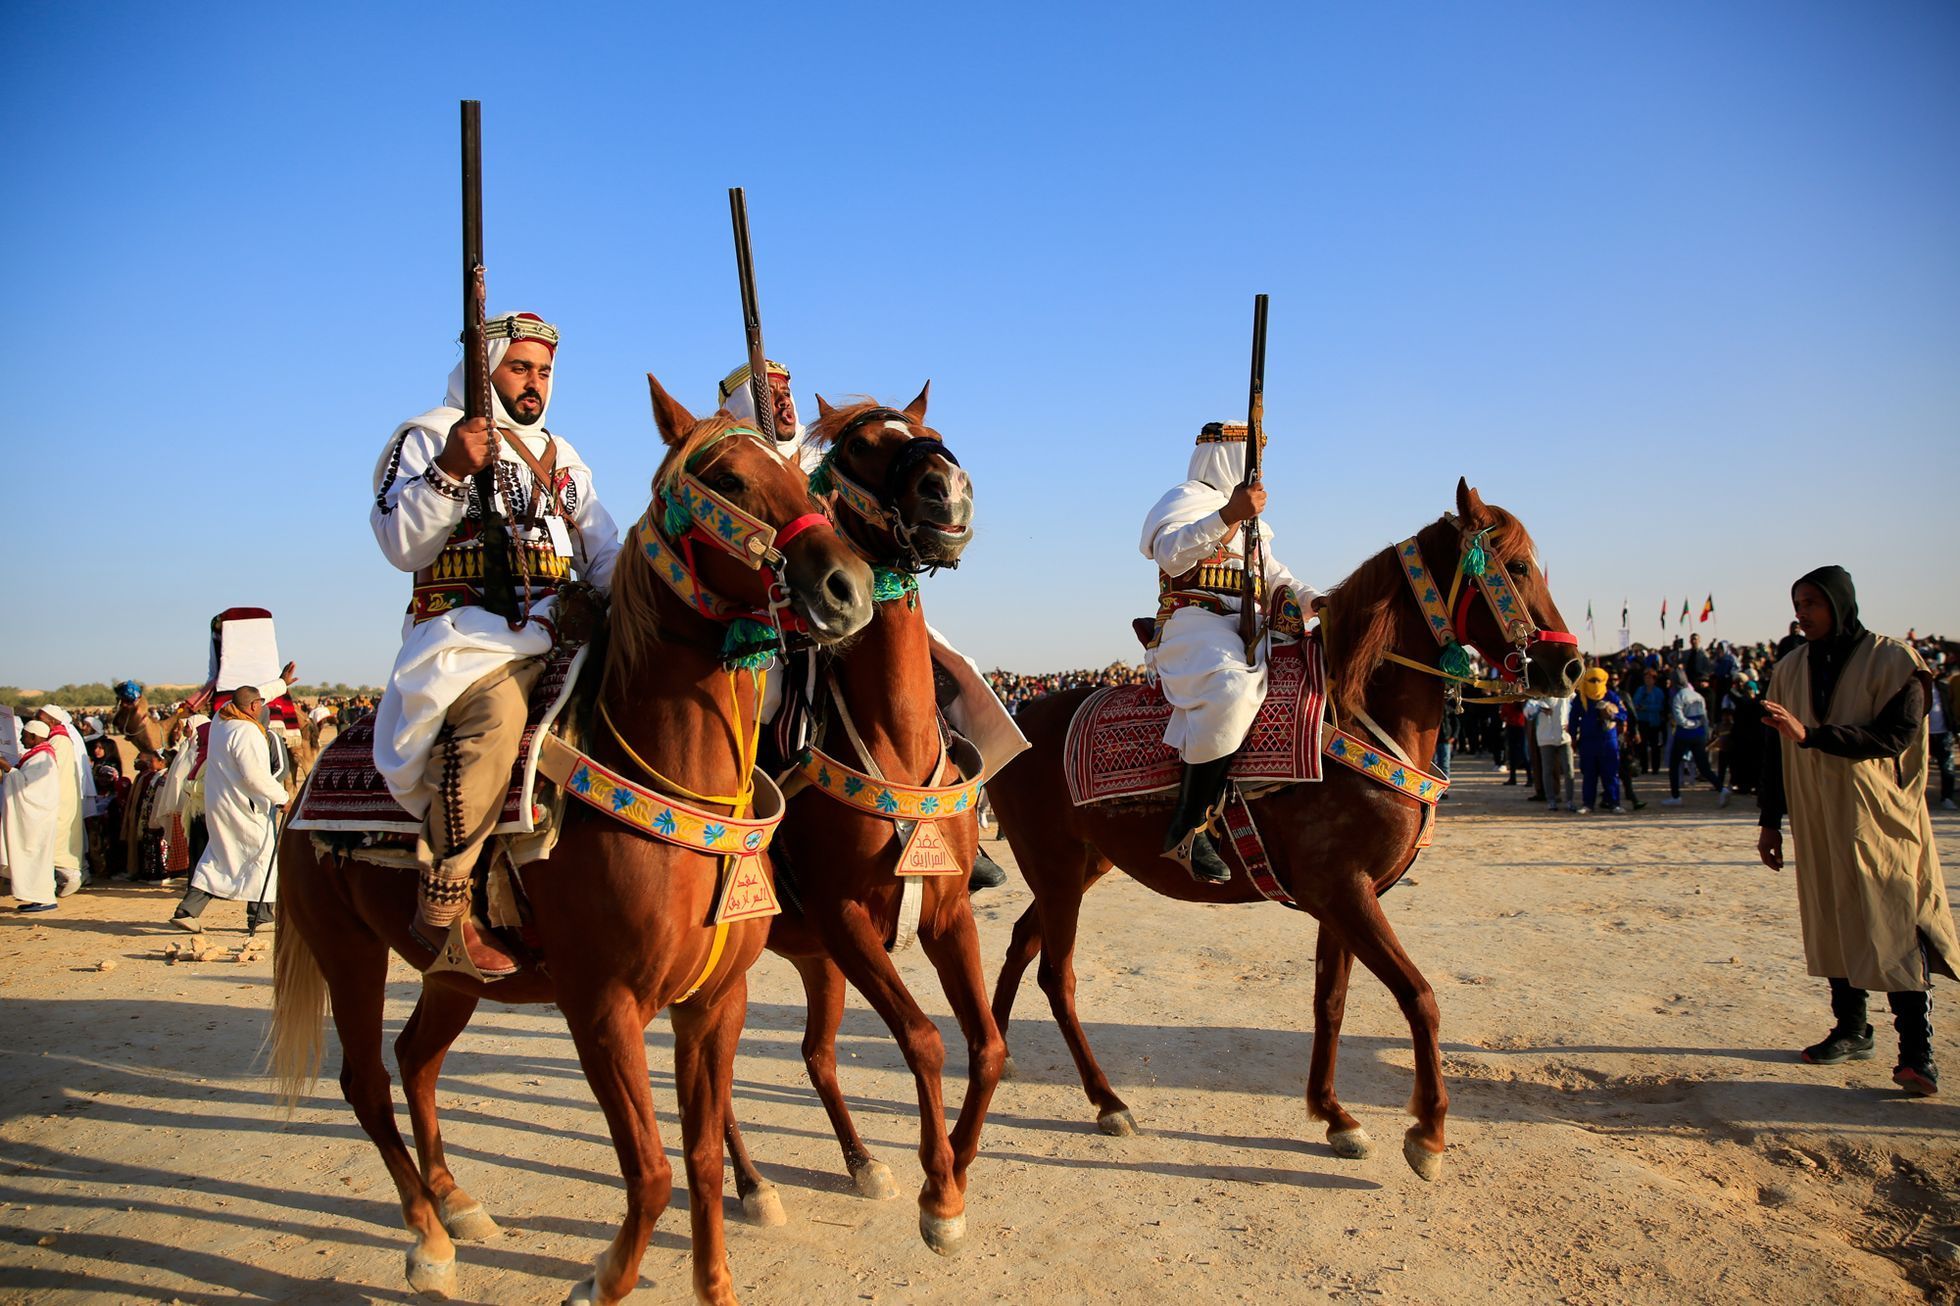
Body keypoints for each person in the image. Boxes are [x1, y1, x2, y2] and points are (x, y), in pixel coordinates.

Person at [372, 311, 621, 977]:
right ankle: (445, 897)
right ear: (486, 372)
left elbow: (603, 551)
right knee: (497, 718)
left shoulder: (564, 456)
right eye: (520, 368)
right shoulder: (426, 436)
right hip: (471, 633)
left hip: (564, 627)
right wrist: (451, 471)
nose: (535, 383)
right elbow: (401, 544)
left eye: (544, 372)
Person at [718, 359, 1025, 892]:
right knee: (764, 697)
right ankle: (749, 825)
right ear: (744, 407)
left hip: (858, 604)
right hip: (774, 618)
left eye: (787, 392)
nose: (784, 403)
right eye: (769, 395)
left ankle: (959, 816)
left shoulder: (824, 460)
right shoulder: (737, 467)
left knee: (952, 675)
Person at [1758, 565, 1960, 1096]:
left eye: (1813, 603)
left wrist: (1814, 736)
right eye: (1797, 603)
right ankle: (1851, 1029)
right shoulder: (1790, 668)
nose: (1802, 613)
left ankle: (1916, 1053)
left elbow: (1895, 735)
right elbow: (1776, 751)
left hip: (1879, 820)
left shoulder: (1894, 661)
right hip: (1817, 818)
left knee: (1891, 922)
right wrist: (1769, 822)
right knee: (1832, 918)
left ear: (1840, 603)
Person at [1141, 420, 1320, 883]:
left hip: (1255, 624)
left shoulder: (1256, 525)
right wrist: (1228, 515)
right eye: (1249, 458)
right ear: (1224, 457)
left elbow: (1277, 577)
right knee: (1231, 689)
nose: (1256, 471)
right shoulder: (1185, 500)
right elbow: (1171, 554)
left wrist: (1319, 600)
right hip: (1196, 620)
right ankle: (1189, 824)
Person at [173, 685, 287, 934]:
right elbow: (255, 777)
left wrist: (281, 684)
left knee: (217, 855)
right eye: (261, 704)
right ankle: (261, 916)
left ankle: (187, 911)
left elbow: (245, 696)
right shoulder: (247, 732)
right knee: (262, 854)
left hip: (219, 803)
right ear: (255, 707)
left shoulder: (220, 720)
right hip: (245, 806)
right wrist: (283, 798)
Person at [0, 720, 64, 911]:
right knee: (35, 857)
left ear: (34, 737)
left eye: (24, 736)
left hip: (38, 819)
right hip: (36, 818)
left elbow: (31, 790)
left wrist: (8, 769)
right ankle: (38, 896)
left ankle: (44, 898)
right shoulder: (37, 756)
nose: (21, 739)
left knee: (37, 856)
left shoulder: (42, 759)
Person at [1569, 667, 1625, 814]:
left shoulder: (1611, 696)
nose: (1595, 683)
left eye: (1598, 681)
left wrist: (1611, 715)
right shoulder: (1581, 699)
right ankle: (1588, 804)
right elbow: (1573, 719)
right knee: (1589, 775)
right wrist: (1573, 738)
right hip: (1588, 742)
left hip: (1608, 741)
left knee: (1611, 774)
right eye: (1592, 680)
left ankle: (1614, 803)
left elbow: (1624, 715)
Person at [1661, 670, 1715, 804]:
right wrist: (1704, 731)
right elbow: (1705, 716)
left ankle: (1675, 796)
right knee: (1703, 766)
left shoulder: (1679, 696)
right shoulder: (1697, 695)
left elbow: (1679, 718)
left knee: (1674, 764)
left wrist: (1690, 724)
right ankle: (1721, 788)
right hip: (1698, 734)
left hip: (1684, 733)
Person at [1526, 695, 1575, 813]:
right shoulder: (1538, 696)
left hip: (1564, 737)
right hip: (1545, 738)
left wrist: (1573, 722)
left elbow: (1576, 704)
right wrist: (1539, 708)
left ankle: (1570, 800)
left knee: (1569, 770)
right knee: (1547, 770)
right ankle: (1551, 800)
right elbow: (1528, 711)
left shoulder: (1566, 693)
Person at [1631, 668, 1667, 774]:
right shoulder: (1640, 690)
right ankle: (1644, 767)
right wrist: (1639, 706)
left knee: (1654, 746)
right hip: (1642, 720)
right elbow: (1635, 701)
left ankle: (1655, 768)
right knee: (1642, 745)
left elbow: (1660, 706)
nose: (1647, 680)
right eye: (1646, 678)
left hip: (1654, 721)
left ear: (1654, 680)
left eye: (1650, 678)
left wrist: (1647, 707)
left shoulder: (1658, 691)